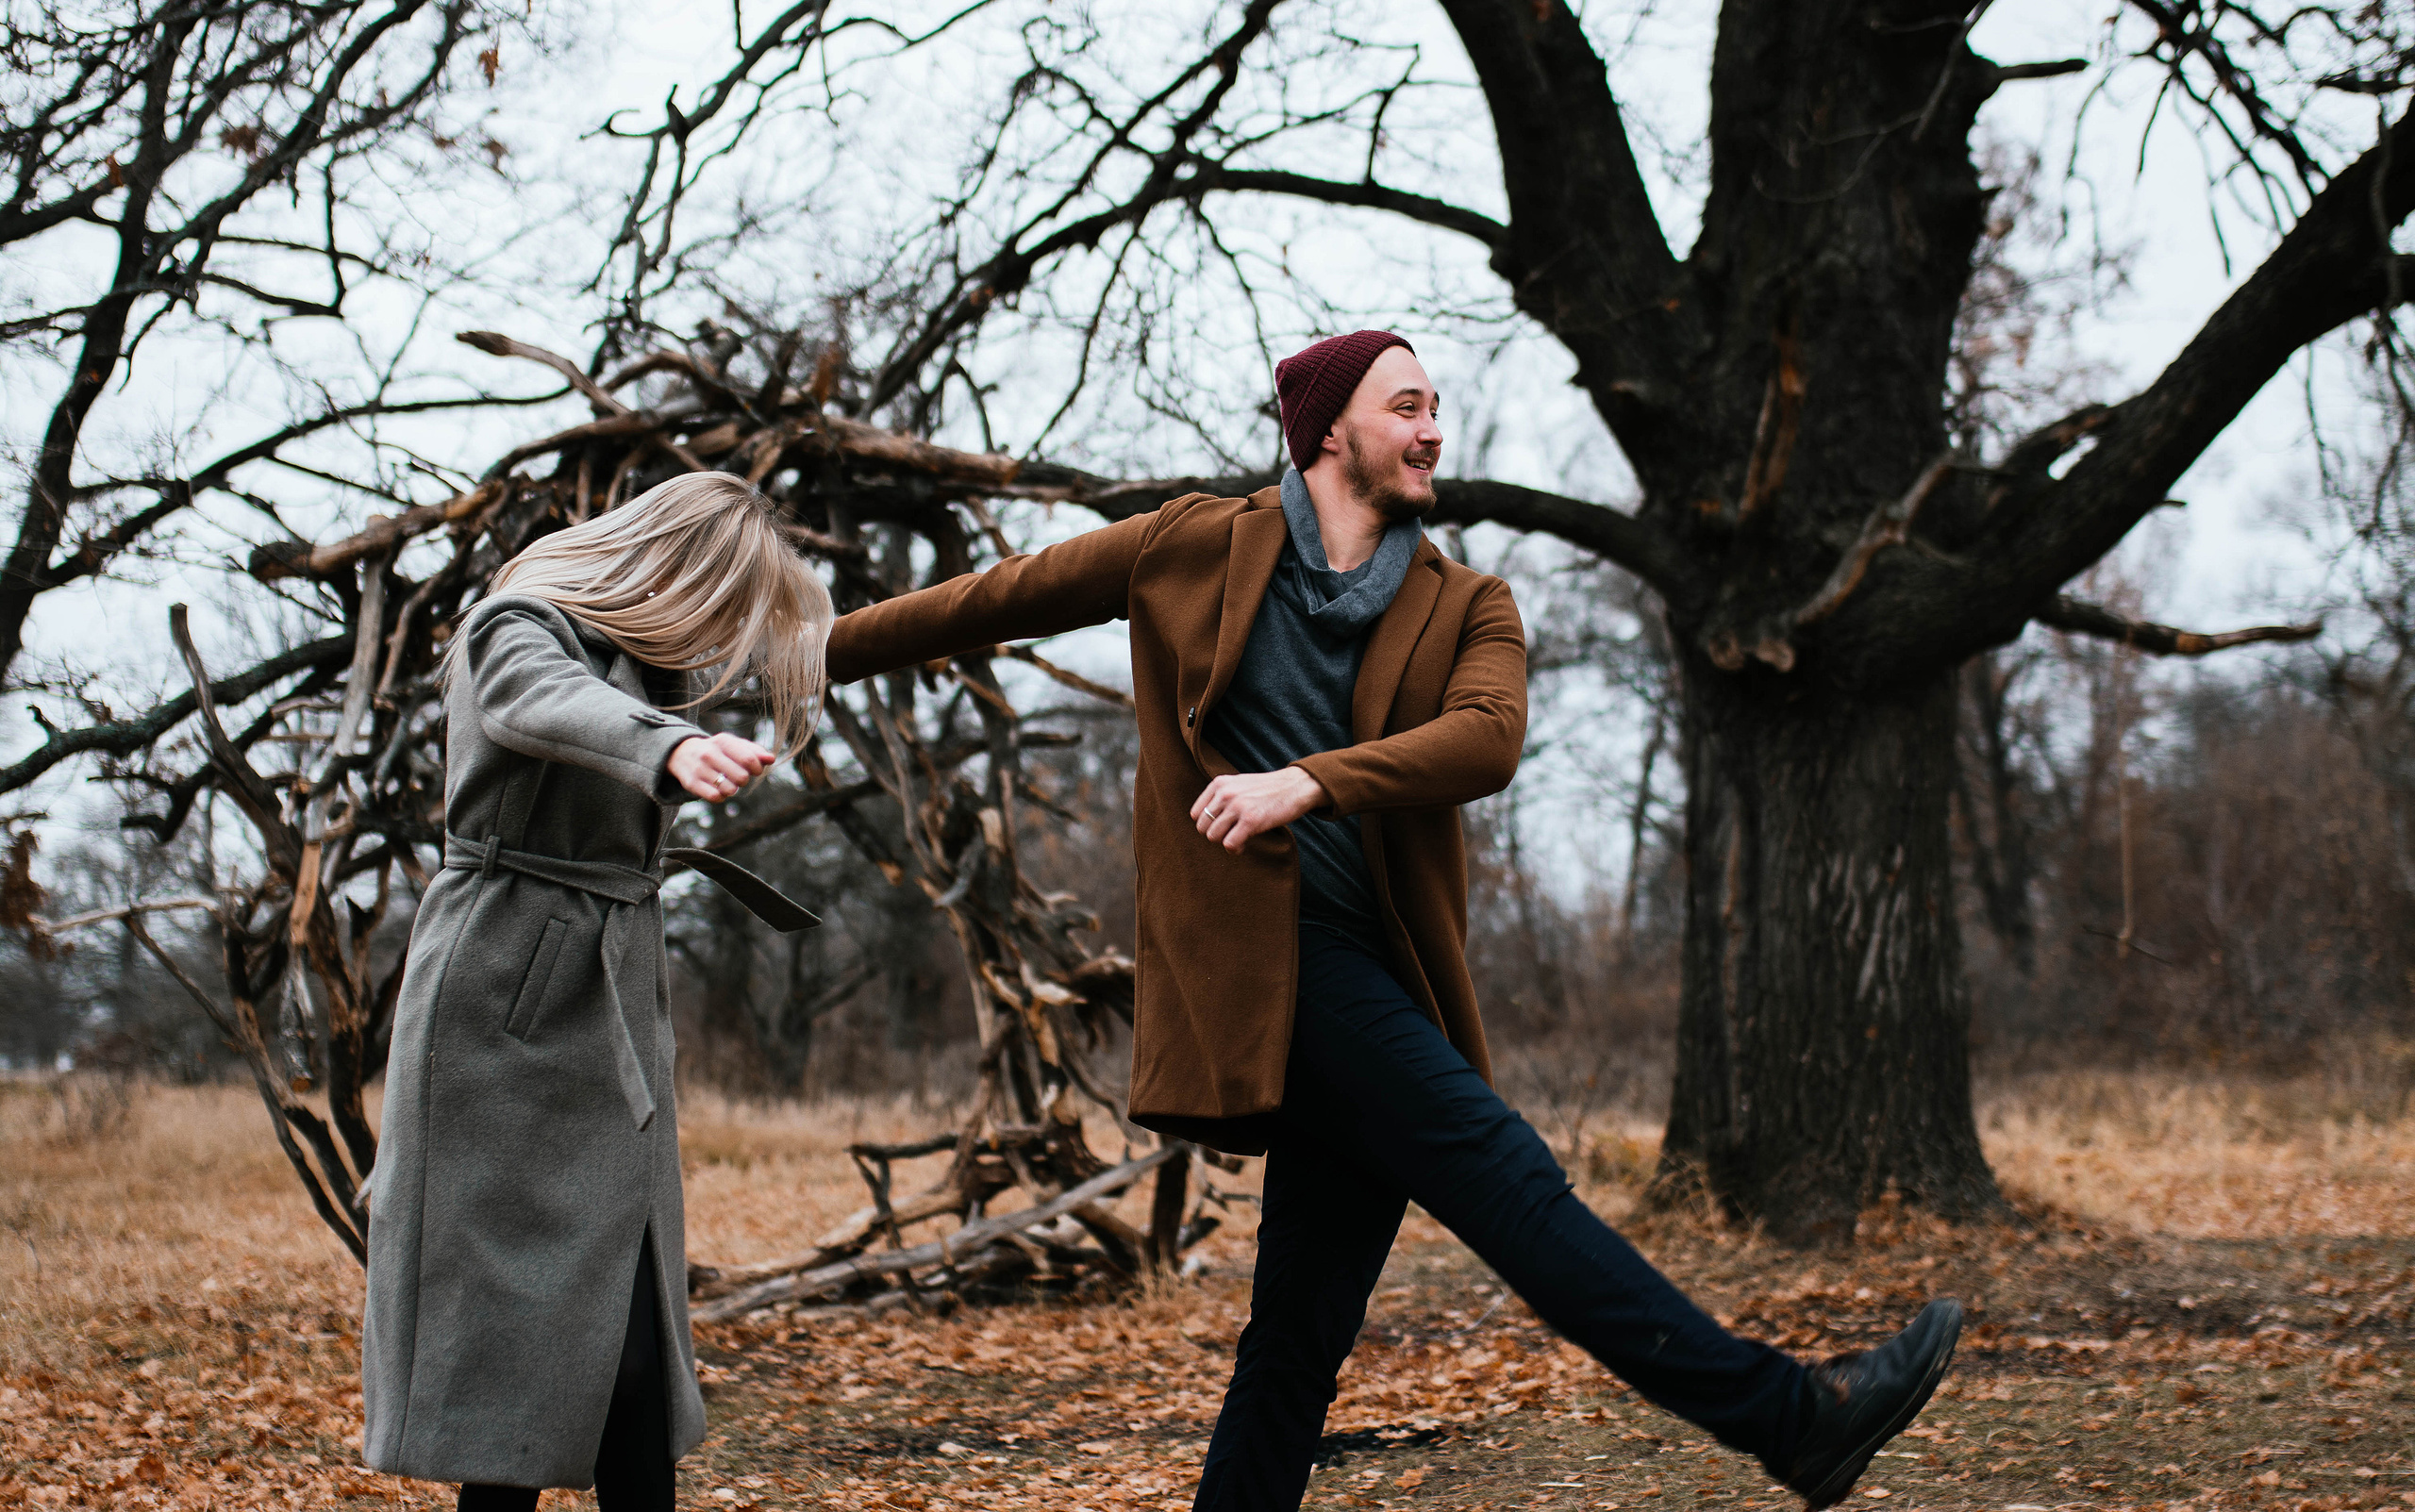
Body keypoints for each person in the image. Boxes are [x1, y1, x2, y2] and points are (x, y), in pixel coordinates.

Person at [825, 330, 1962, 1511]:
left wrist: (1311, 779)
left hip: (1377, 980)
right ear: (1328, 431)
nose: (1431, 428)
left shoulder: (1468, 603)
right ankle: (1793, 1421)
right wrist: (797, 659)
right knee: (1509, 1180)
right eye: (1405, 406)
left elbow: (1487, 739)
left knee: (1293, 1349)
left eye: (1435, 407)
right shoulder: (1192, 544)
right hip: (1271, 972)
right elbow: (984, 601)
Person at [362, 471, 828, 1512]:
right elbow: (544, 701)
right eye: (720, 603)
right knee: (513, 1335)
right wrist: (669, 749)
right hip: (502, 1002)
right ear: (674, 570)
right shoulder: (517, 625)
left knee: (625, 1341)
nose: (720, 639)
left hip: (607, 983)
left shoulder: (645, 670)